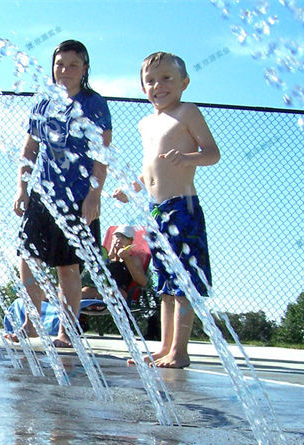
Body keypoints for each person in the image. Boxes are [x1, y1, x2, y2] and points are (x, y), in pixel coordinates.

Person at [113, 52, 220, 368]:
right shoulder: (146, 123)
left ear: (184, 83)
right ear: (143, 87)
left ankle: (180, 350)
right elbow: (149, 170)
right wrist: (130, 188)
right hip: (155, 210)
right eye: (151, 80)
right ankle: (164, 347)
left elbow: (212, 153)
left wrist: (190, 158)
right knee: (164, 283)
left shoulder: (188, 112)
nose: (158, 85)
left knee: (182, 282)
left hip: (181, 208)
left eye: (167, 78)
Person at [12, 40, 112, 348]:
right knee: (28, 257)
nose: (64, 70)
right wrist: (22, 187)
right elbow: (30, 148)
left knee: (68, 266)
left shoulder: (94, 104)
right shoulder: (43, 101)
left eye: (72, 65)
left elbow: (101, 153)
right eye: (59, 64)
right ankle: (30, 322)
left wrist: (94, 195)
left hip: (78, 197)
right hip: (43, 193)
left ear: (84, 69)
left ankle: (67, 331)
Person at [80, 225, 149, 303]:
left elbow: (143, 282)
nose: (119, 239)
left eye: (125, 237)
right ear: (112, 238)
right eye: (117, 236)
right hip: (97, 290)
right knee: (81, 292)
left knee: (118, 293)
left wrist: (127, 260)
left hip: (117, 292)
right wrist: (109, 257)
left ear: (130, 242)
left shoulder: (133, 259)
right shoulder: (103, 256)